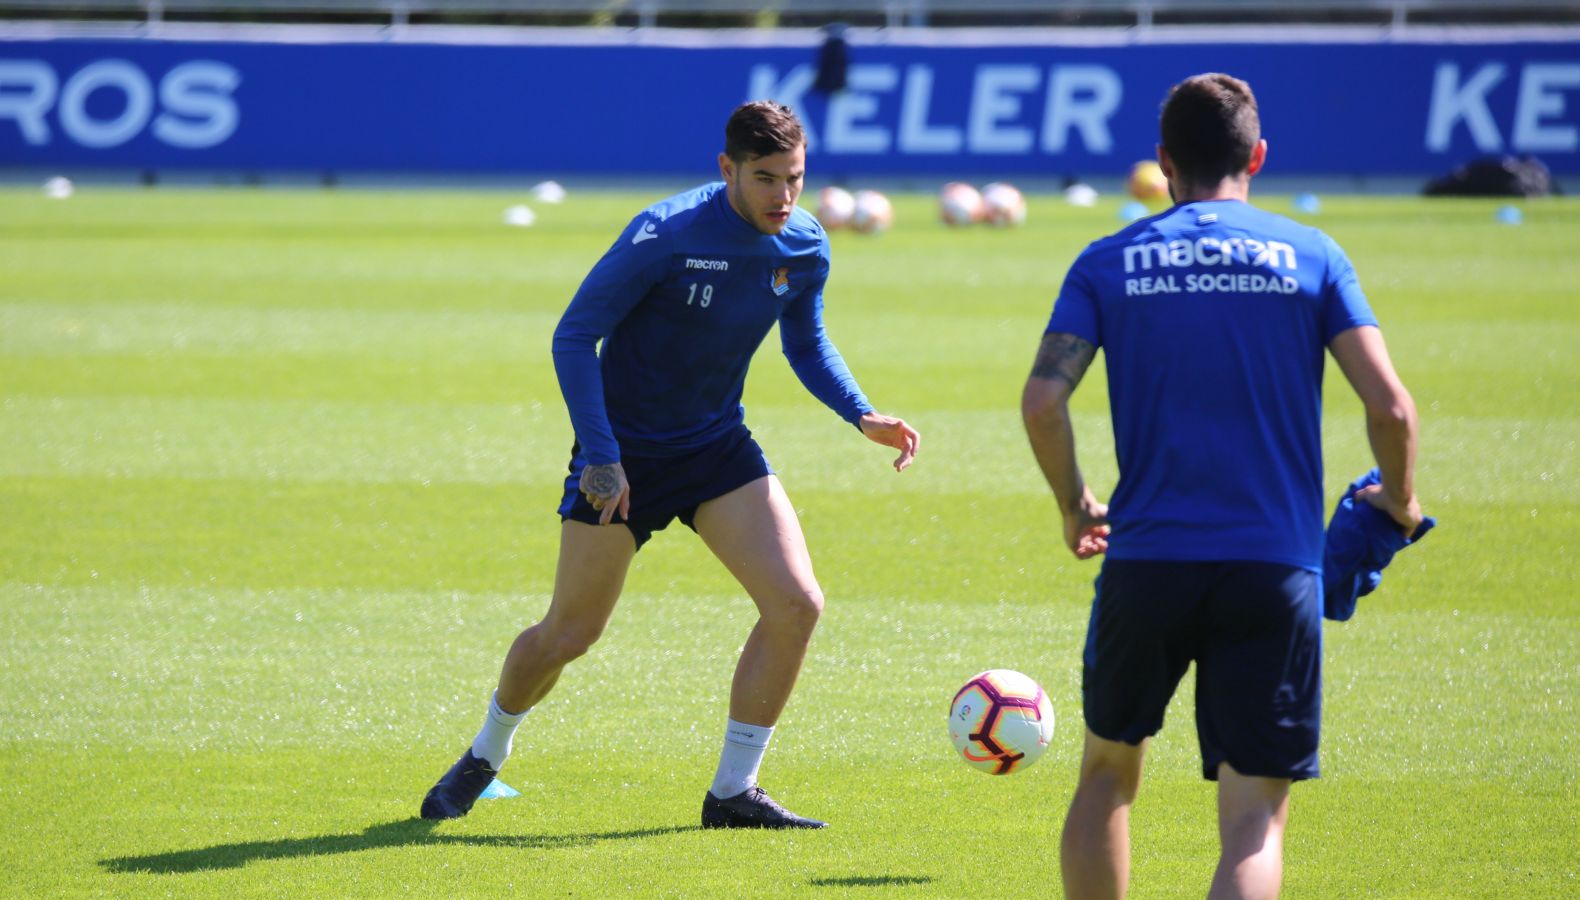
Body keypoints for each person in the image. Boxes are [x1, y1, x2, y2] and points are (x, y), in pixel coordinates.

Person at [420, 100, 919, 830]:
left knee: (797, 604)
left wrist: (860, 411)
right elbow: (574, 336)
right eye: (766, 178)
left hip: (716, 448)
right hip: (622, 456)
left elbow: (805, 342)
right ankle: (483, 755)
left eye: (795, 178)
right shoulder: (666, 234)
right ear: (727, 171)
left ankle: (732, 792)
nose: (784, 196)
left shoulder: (805, 245)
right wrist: (601, 456)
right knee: (569, 635)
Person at [1021, 73, 1421, 899]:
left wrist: (1075, 505)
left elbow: (1042, 401)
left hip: (1146, 562)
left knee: (1106, 776)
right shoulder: (1312, 255)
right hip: (1274, 568)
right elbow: (1391, 407)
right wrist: (1400, 503)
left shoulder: (1108, 260)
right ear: (1259, 156)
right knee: (1253, 820)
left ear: (1163, 162)